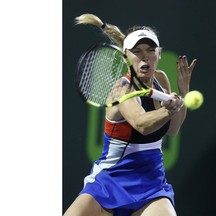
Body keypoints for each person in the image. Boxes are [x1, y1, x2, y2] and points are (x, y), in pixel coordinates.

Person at [64, 13, 197, 216]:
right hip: (109, 182)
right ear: (126, 56)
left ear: (159, 54)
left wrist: (183, 93)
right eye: (137, 51)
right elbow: (141, 124)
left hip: (151, 184)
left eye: (150, 50)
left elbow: (173, 129)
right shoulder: (122, 89)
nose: (145, 57)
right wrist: (167, 109)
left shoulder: (161, 78)